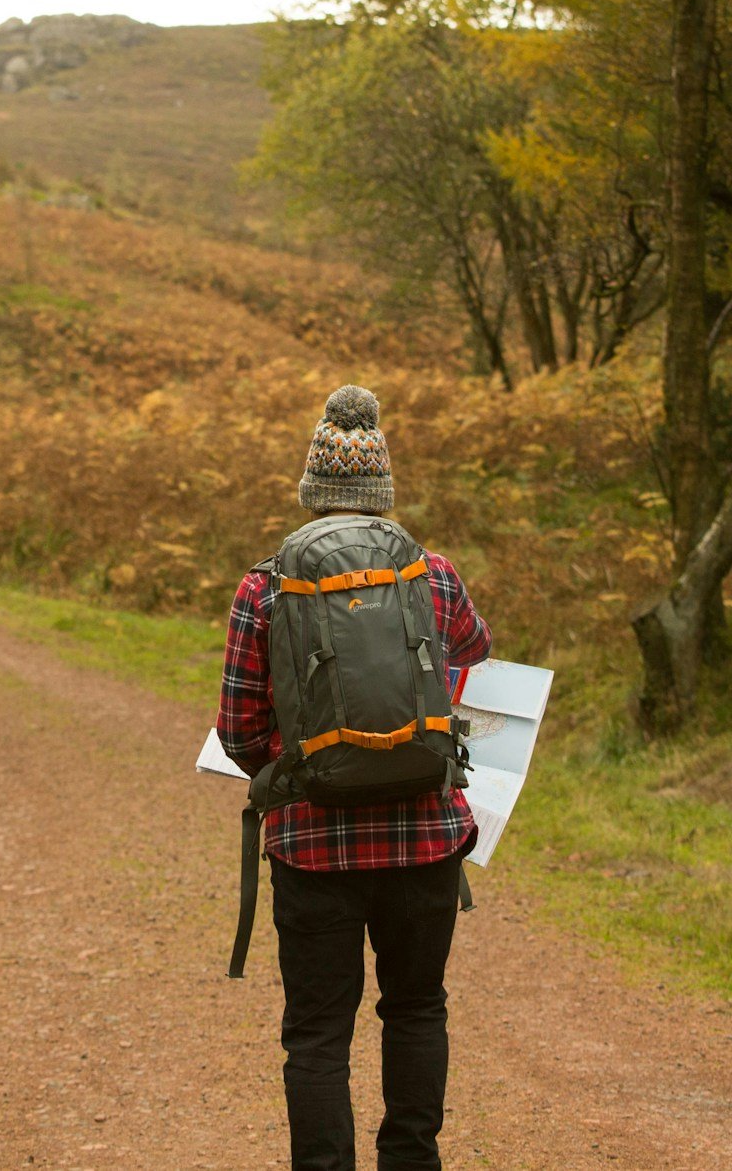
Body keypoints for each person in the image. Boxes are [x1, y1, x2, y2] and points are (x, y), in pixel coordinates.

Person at [215, 384, 492, 1171]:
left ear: (312, 492)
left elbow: (239, 730)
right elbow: (474, 653)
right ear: (382, 490)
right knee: (415, 1008)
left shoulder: (264, 584)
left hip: (311, 848)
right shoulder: (432, 575)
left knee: (317, 1031)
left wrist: (301, 763)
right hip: (425, 837)